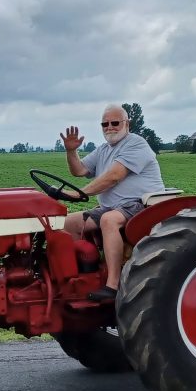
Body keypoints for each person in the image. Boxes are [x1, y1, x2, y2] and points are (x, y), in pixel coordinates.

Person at [60, 104, 164, 302]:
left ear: (127, 124)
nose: (110, 127)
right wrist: (71, 151)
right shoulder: (104, 150)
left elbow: (114, 176)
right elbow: (79, 170)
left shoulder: (136, 144)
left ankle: (112, 285)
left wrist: (79, 194)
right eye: (105, 124)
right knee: (68, 223)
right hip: (113, 207)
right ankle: (85, 274)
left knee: (109, 220)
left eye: (115, 123)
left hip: (141, 205)